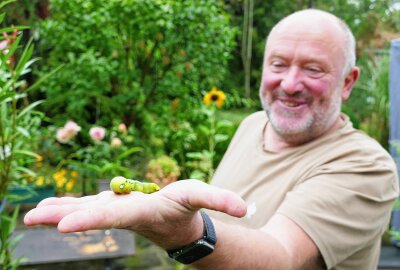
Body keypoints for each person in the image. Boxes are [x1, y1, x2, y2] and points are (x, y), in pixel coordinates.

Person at [24, 9, 399, 270]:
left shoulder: (367, 166)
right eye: (279, 64)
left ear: (348, 81)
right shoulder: (253, 124)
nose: (289, 83)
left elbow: (280, 256)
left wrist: (184, 232)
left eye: (313, 69)